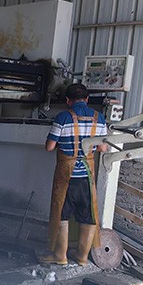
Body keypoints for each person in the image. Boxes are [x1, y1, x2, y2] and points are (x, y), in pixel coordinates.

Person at [40, 83, 108, 266]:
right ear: (86, 99)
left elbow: (50, 147)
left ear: (68, 100)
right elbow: (103, 148)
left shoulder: (63, 117)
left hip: (66, 177)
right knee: (87, 215)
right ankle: (82, 257)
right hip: (86, 176)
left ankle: (60, 256)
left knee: (62, 214)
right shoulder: (99, 118)